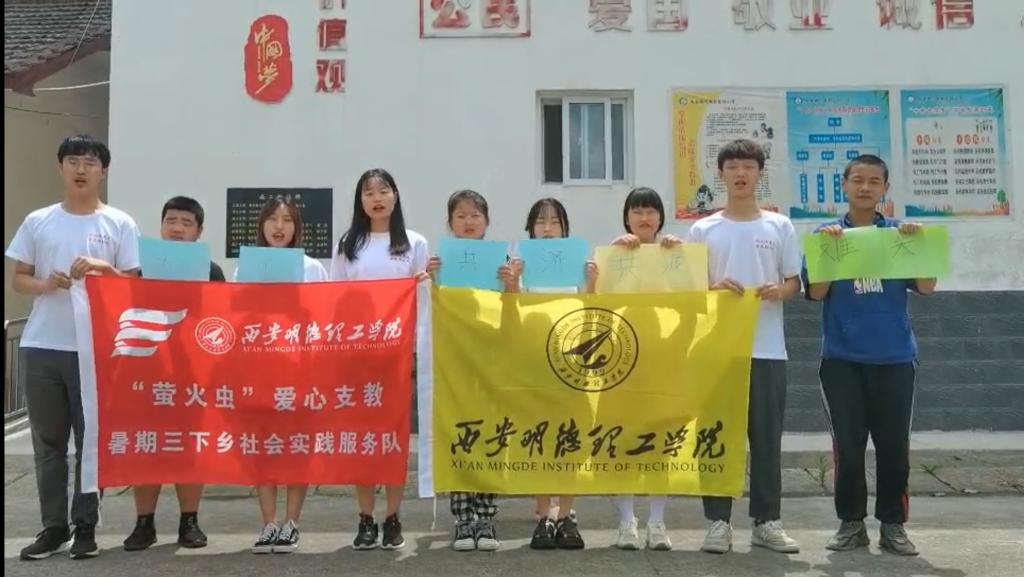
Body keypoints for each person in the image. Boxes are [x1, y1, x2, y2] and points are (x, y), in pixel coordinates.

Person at [8, 135, 141, 561]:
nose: (81, 169)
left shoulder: (119, 223)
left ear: (103, 171)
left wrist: (104, 268)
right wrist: (46, 284)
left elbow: (134, 285)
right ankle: (53, 527)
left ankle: (86, 526)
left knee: (91, 441)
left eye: (89, 162)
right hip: (43, 345)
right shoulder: (39, 221)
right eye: (73, 161)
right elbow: (19, 278)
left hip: (96, 350)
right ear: (60, 167)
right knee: (49, 444)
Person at [803, 155, 935, 556]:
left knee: (894, 447)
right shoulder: (825, 235)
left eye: (874, 181)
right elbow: (817, 293)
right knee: (848, 446)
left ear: (885, 189)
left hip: (895, 358)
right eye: (857, 180)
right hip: (842, 360)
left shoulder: (899, 233)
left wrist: (918, 244)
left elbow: (927, 286)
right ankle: (851, 524)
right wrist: (829, 250)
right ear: (844, 185)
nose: (865, 187)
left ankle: (893, 525)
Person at [686, 139, 801, 555]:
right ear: (720, 174)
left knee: (766, 439)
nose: (740, 173)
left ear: (759, 173)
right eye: (732, 166)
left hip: (767, 349)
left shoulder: (779, 226)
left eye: (748, 166)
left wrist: (780, 291)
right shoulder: (703, 230)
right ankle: (718, 522)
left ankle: (767, 522)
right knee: (717, 437)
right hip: (718, 351)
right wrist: (713, 287)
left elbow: (794, 282)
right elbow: (690, 289)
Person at [331, 169, 429, 551]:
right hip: (358, 354)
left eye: (383, 191)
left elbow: (421, 299)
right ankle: (365, 517)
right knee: (362, 438)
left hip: (398, 355)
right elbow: (335, 298)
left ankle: (393, 517)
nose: (376, 198)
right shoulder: (348, 243)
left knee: (393, 438)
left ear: (395, 196)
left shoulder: (414, 243)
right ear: (360, 200)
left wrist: (416, 348)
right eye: (368, 192)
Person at [124, 196, 224, 551]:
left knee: (189, 445)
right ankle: (144, 523)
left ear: (199, 231)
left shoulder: (211, 271)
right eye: (172, 221)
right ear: (162, 225)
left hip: (193, 373)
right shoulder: (140, 270)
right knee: (147, 444)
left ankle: (189, 521)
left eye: (186, 222)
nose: (178, 228)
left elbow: (220, 319)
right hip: (148, 371)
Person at [426, 189, 512, 552]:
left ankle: (486, 517)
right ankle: (463, 519)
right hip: (455, 362)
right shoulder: (442, 261)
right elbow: (436, 309)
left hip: (492, 361)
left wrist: (511, 283)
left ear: (487, 221)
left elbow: (513, 312)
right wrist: (433, 280)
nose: (468, 221)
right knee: (459, 432)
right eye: (460, 216)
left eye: (475, 215)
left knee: (492, 434)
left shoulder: (502, 260)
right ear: (450, 223)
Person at [245, 198, 328, 554]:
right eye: (273, 219)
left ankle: (291, 523)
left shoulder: (312, 268)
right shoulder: (247, 267)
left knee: (297, 447)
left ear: (297, 228)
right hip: (260, 370)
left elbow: (324, 318)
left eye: (287, 220)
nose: (279, 227)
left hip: (300, 371)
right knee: (263, 448)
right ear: (262, 225)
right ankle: (268, 523)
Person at [606, 187, 682, 552]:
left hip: (663, 354)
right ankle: (626, 521)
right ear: (626, 218)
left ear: (660, 217)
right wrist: (612, 255)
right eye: (637, 211)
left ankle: (657, 521)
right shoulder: (614, 253)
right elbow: (595, 297)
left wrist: (680, 256)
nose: (644, 217)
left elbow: (691, 297)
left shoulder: (674, 253)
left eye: (651, 211)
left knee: (659, 441)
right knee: (621, 439)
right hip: (620, 356)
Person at [516, 198, 594, 551]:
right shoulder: (520, 265)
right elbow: (511, 310)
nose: (547, 228)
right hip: (534, 362)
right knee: (541, 438)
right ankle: (544, 514)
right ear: (530, 229)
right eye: (540, 222)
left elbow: (591, 310)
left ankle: (565, 515)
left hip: (571, 364)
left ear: (565, 228)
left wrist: (592, 282)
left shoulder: (579, 263)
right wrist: (513, 282)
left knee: (571, 437)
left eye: (554, 222)